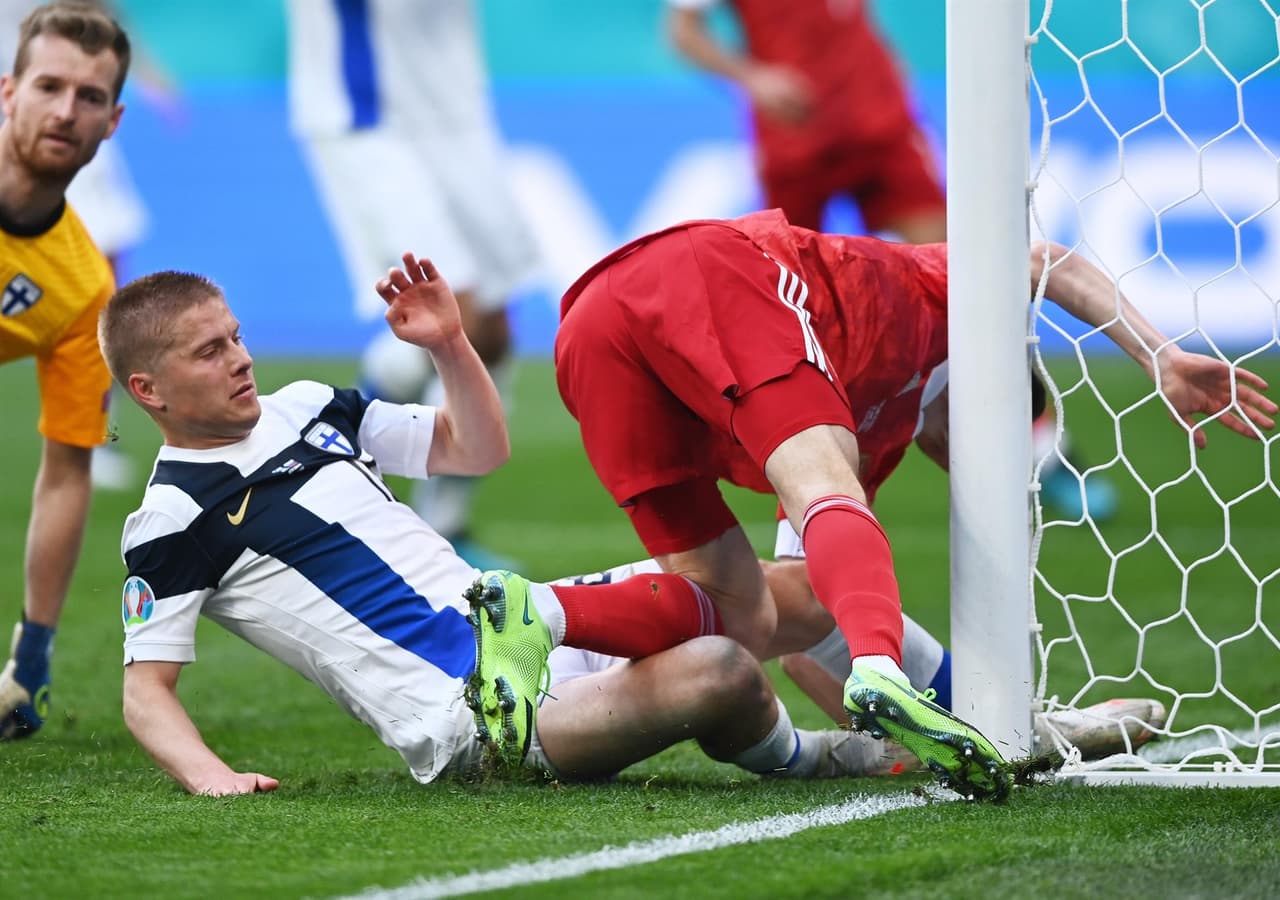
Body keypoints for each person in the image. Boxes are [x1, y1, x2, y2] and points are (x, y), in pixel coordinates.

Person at [462, 209, 1276, 802]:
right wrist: (1160, 355)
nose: (974, 465)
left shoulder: (877, 438)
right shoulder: (945, 306)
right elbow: (1044, 261)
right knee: (827, 490)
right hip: (705, 272)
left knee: (737, 610)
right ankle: (886, 669)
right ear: (991, 388)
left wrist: (978, 728)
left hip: (595, 338)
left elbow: (812, 627)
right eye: (999, 443)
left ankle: (542, 614)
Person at [100, 253, 913, 795]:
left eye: (236, 336)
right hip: (471, 714)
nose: (240, 359)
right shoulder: (170, 521)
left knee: (786, 594)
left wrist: (451, 345)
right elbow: (145, 693)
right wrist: (212, 778)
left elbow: (474, 449)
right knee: (719, 669)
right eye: (209, 352)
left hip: (525, 625)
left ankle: (934, 706)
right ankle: (819, 756)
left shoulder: (309, 407)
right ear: (148, 390)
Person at [284, 0, 539, 569]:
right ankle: (326, 488)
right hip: (369, 118)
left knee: (492, 327)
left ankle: (443, 527)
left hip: (458, 115)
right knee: (451, 308)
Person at [0, 0, 129, 740]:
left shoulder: (84, 292)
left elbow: (66, 473)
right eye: (48, 86)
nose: (65, 111)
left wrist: (32, 657)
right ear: (9, 91)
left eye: (89, 96)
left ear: (111, 122)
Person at [666, 0, 944, 242]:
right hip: (794, 131)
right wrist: (754, 78)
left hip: (876, 117)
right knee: (791, 272)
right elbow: (684, 31)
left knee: (938, 259)